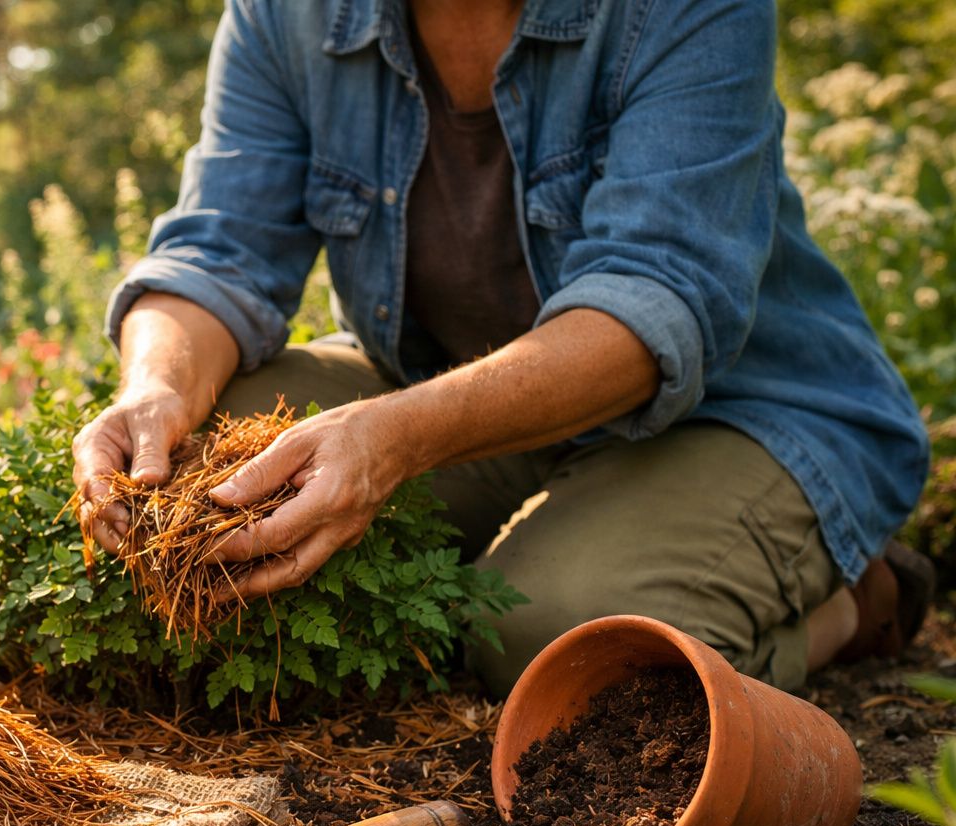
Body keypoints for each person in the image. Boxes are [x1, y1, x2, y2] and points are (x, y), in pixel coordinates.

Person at [71, 0, 932, 695]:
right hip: (446, 390)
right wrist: (156, 390)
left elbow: (656, 305)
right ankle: (526, 551)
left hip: (738, 412)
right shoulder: (287, 14)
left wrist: (394, 439)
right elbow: (218, 252)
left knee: (557, 636)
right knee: (197, 472)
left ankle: (856, 607)